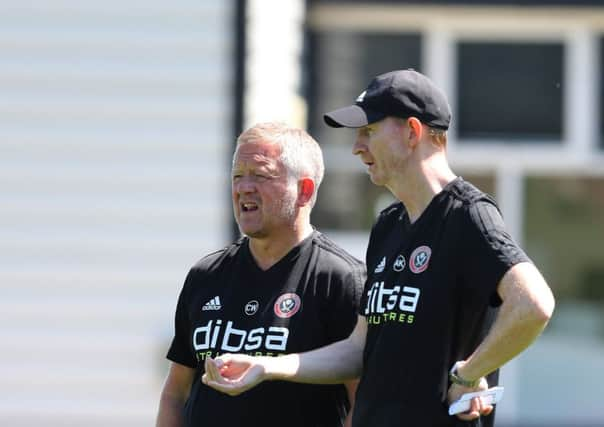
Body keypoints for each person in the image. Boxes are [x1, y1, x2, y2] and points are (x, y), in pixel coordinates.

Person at [202, 70, 556, 427]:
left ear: (412, 132)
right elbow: (359, 348)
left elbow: (533, 305)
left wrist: (468, 374)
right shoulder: (389, 225)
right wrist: (267, 365)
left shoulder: (468, 215)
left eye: (368, 131)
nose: (357, 146)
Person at [155, 122, 366, 427]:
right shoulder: (206, 275)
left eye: (261, 175)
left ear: (304, 191)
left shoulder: (342, 279)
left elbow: (365, 401)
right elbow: (176, 391)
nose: (244, 188)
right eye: (237, 176)